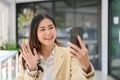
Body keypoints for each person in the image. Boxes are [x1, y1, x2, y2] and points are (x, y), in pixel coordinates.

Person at [16, 14, 95, 80]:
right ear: (35, 33)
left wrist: (86, 67)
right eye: (42, 29)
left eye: (51, 27)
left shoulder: (69, 54)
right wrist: (31, 69)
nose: (48, 32)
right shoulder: (25, 58)